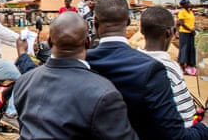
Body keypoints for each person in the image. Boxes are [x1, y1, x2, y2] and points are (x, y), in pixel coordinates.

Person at [86, 0, 208, 139]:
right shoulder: (152, 69)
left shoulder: (82, 63)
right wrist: (205, 123)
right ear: (129, 21)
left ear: (95, 23)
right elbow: (177, 135)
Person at [14, 12, 139, 140]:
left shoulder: (23, 82)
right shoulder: (104, 93)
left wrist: (23, 54)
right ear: (88, 42)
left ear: (50, 42)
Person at [138, 6, 196, 127]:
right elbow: (187, 120)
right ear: (171, 32)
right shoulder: (170, 69)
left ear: (142, 30)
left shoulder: (132, 61)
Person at [178, 0, 197, 76]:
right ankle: (182, 67)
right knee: (184, 49)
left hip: (191, 33)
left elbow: (193, 22)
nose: (188, 4)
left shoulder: (190, 12)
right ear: (183, 5)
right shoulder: (182, 12)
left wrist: (193, 29)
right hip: (184, 33)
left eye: (189, 2)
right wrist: (190, 30)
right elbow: (182, 23)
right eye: (187, 3)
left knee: (191, 49)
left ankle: (190, 65)